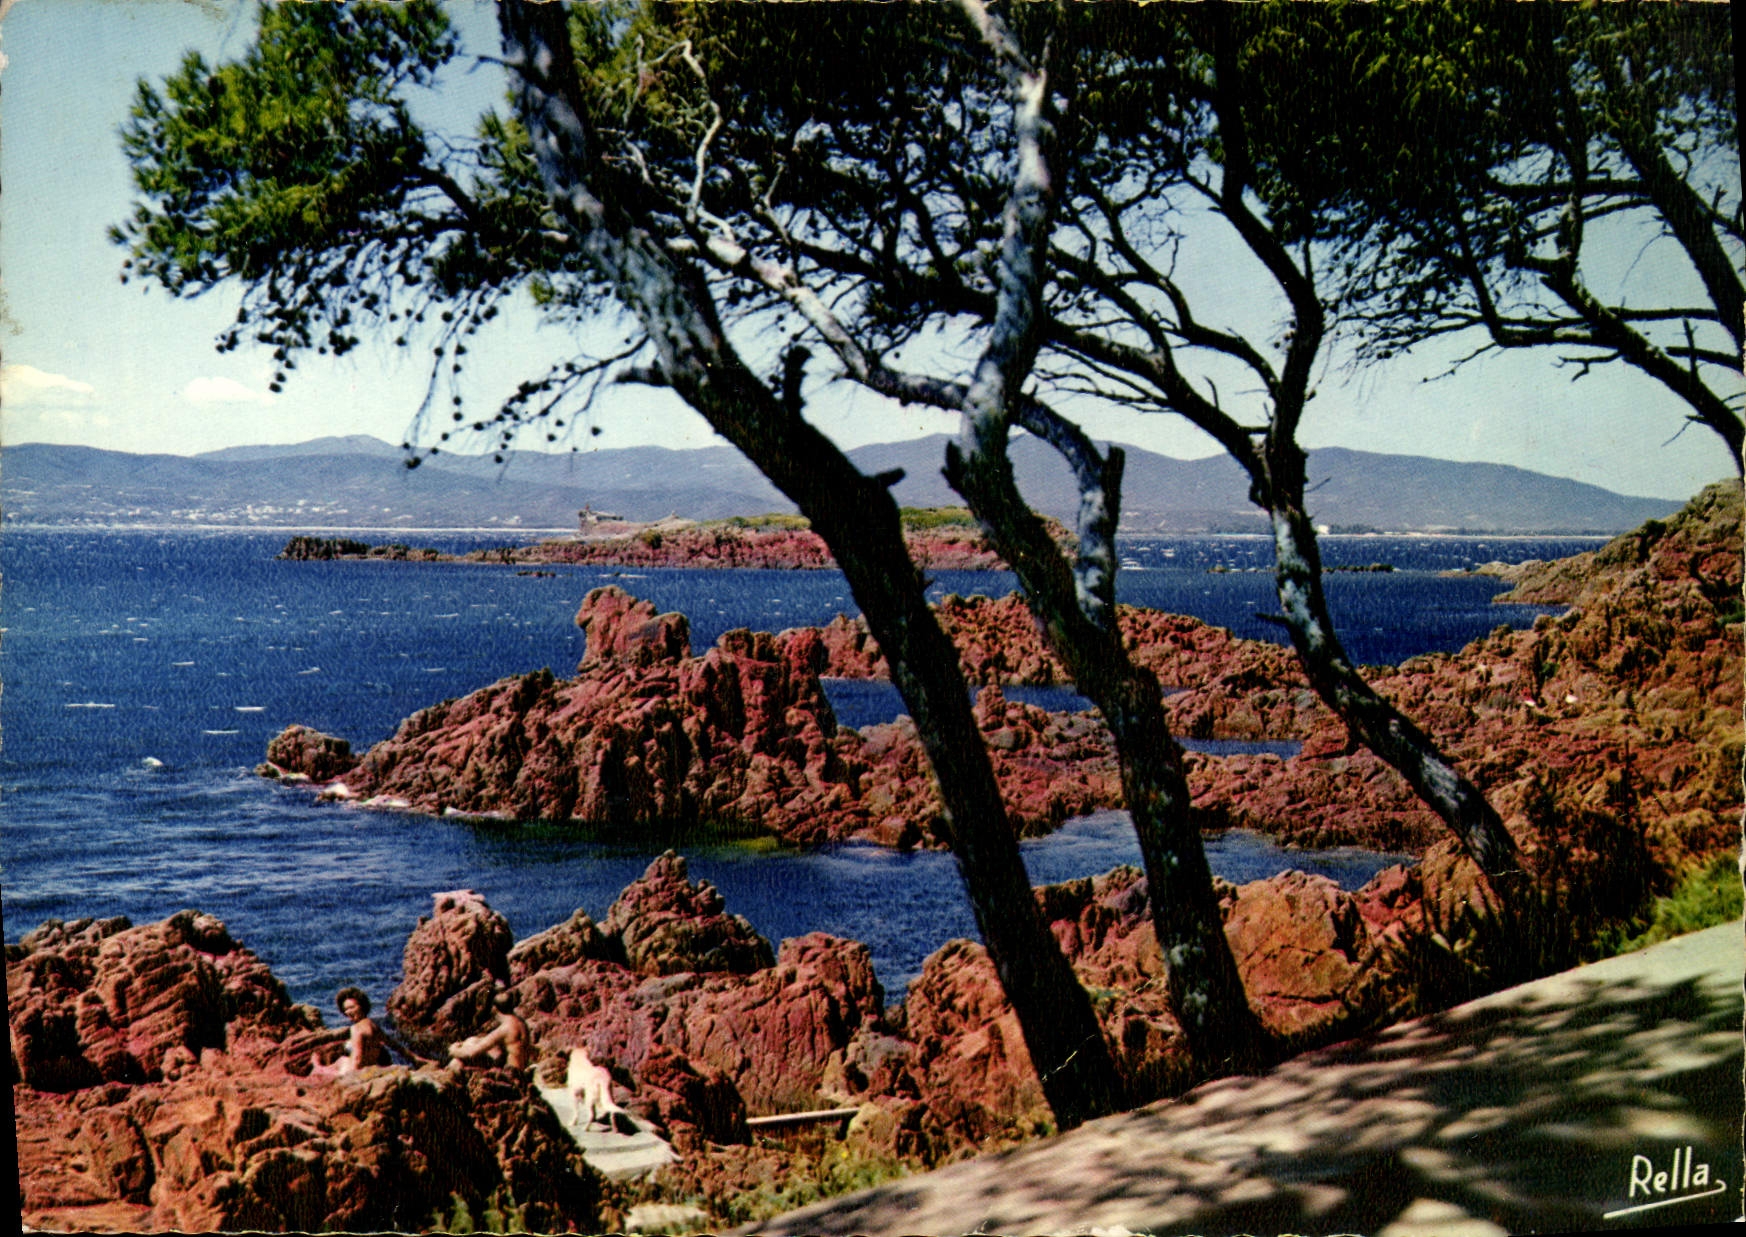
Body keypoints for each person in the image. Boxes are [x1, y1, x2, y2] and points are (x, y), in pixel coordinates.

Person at [311, 987, 391, 1078]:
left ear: (362, 1006)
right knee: (342, 1059)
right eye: (345, 1009)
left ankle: (317, 1066)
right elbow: (395, 1046)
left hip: (354, 1072)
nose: (348, 1012)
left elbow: (357, 1060)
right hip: (364, 1067)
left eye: (352, 1007)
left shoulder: (356, 1029)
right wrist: (410, 1059)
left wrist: (347, 1077)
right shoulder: (374, 1026)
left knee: (316, 1065)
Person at [448, 987, 531, 1072]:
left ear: (494, 1009)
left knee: (457, 1061)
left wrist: (453, 1050)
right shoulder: (521, 1023)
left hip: (511, 1073)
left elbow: (471, 1053)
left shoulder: (505, 1028)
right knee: (474, 1040)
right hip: (519, 1069)